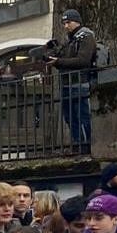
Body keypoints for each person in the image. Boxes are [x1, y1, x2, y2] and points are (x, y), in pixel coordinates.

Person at [47, 9, 97, 147]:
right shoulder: (71, 40)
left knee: (83, 117)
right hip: (67, 84)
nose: (66, 26)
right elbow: (66, 62)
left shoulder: (86, 37)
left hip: (80, 83)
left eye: (68, 22)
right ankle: (78, 144)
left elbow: (83, 61)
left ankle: (87, 145)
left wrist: (59, 62)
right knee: (70, 118)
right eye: (64, 23)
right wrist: (56, 61)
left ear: (77, 21)